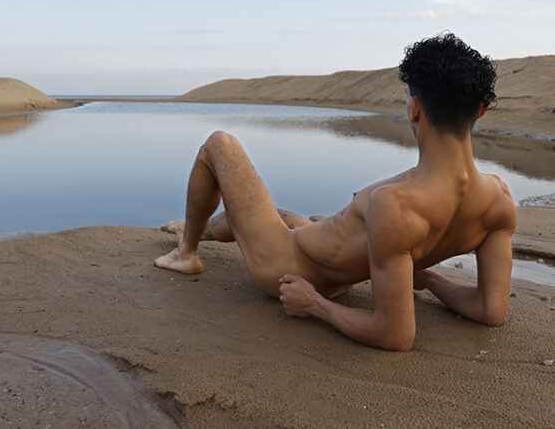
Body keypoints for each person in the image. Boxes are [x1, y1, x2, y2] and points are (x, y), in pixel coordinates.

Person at [154, 32, 515, 351]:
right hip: (332, 262)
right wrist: (431, 278)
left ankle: (186, 254)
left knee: (220, 145)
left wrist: (314, 305)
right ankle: (194, 229)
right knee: (276, 215)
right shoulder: (498, 201)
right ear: (481, 111)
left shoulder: (398, 205)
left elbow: (395, 336)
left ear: (414, 109)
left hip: (285, 267)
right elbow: (490, 310)